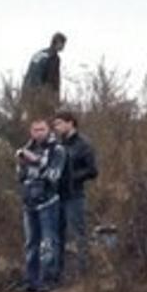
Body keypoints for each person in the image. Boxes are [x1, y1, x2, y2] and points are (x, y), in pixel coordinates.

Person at [16, 117, 65, 292]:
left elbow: (53, 175)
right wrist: (25, 164)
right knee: (31, 242)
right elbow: (21, 177)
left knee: (49, 241)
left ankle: (49, 279)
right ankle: (31, 280)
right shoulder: (26, 149)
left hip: (48, 201)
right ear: (31, 132)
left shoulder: (57, 150)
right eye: (35, 130)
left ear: (48, 130)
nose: (39, 133)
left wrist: (36, 162)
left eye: (42, 129)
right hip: (28, 203)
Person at [49, 111, 99, 280]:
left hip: (75, 195)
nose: (56, 128)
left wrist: (72, 177)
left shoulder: (83, 144)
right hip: (57, 196)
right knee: (58, 235)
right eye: (55, 125)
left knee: (78, 233)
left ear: (70, 123)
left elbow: (92, 170)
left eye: (59, 124)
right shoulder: (57, 145)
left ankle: (83, 272)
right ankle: (58, 272)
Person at [21, 33, 66, 113]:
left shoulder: (39, 54)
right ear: (58, 42)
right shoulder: (54, 57)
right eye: (63, 43)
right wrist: (54, 98)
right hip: (41, 93)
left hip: (28, 91)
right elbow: (51, 79)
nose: (63, 46)